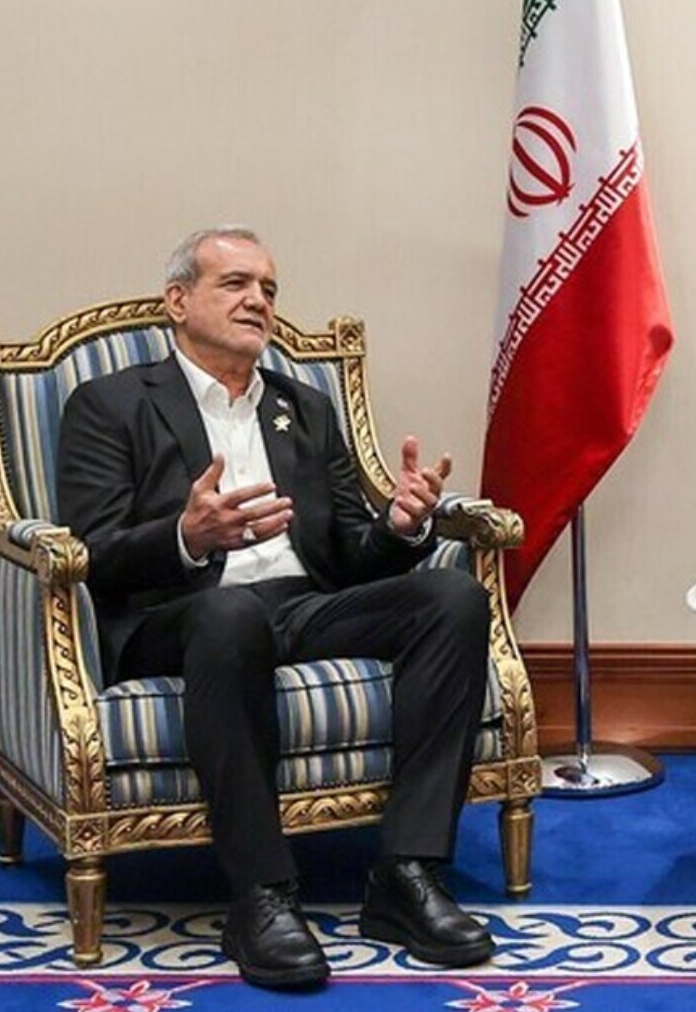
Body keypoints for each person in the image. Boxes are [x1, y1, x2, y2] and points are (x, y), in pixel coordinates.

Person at [57, 226, 495, 990]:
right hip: (183, 612)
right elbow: (94, 549)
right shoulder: (109, 403)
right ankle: (262, 893)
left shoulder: (305, 407)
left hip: (301, 605)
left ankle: (406, 873)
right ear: (178, 300)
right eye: (235, 283)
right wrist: (187, 536)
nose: (258, 300)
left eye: (268, 288)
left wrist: (399, 527)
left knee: (452, 595)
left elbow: (352, 555)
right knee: (232, 615)